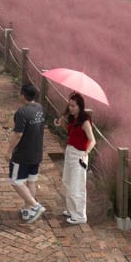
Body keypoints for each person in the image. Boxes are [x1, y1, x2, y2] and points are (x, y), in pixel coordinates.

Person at [54, 93, 95, 225]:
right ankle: (71, 209)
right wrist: (62, 124)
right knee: (67, 181)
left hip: (79, 155)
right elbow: (71, 134)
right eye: (69, 105)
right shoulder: (73, 118)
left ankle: (79, 216)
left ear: (79, 106)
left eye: (73, 106)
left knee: (77, 186)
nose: (70, 108)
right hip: (70, 151)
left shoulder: (85, 121)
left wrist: (86, 153)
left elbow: (92, 140)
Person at [9, 83, 46, 223]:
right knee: (31, 181)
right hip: (37, 153)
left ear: (23, 96)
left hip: (23, 154)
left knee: (15, 181)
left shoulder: (22, 112)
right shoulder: (41, 109)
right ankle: (28, 209)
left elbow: (18, 134)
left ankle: (36, 206)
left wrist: (8, 151)